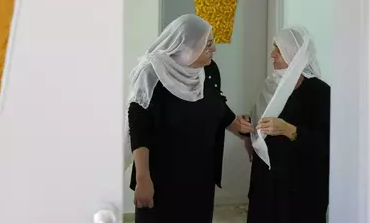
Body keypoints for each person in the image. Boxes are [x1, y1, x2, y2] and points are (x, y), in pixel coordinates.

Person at [126, 14, 253, 223]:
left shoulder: (206, 70)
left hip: (199, 177)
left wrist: (244, 132)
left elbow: (218, 109)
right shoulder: (152, 74)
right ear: (186, 48)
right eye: (207, 44)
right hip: (162, 179)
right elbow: (140, 129)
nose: (214, 49)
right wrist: (143, 178)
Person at [245, 27, 330, 223]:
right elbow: (260, 125)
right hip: (266, 184)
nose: (272, 54)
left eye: (278, 49)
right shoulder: (271, 85)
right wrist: (247, 124)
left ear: (295, 54)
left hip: (300, 189)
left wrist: (288, 130)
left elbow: (325, 144)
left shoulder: (320, 93)